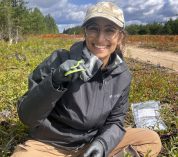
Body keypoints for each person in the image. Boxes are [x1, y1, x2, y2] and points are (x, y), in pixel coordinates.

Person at [11, 2, 162, 157]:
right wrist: (54, 82)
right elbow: (27, 116)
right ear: (85, 32)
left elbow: (116, 121)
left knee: (150, 140)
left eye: (110, 30)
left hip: (93, 142)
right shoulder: (59, 60)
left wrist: (102, 144)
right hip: (51, 145)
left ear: (120, 36)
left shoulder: (122, 75)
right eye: (93, 28)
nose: (100, 38)